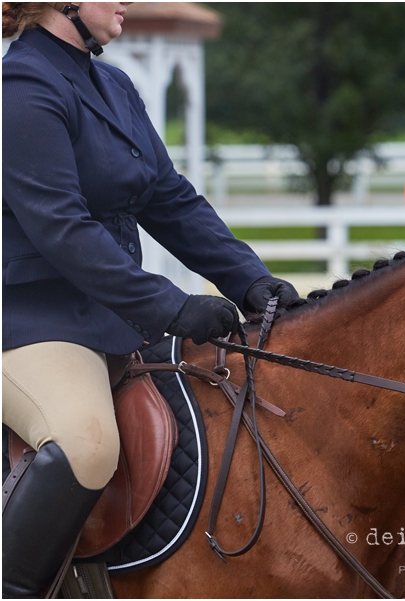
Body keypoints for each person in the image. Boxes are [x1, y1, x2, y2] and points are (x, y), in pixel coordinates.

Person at [1, 3, 301, 596]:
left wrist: (249, 280)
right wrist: (169, 306)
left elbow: (171, 198)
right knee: (87, 445)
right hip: (32, 320)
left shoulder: (111, 84)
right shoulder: (21, 89)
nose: (127, 1)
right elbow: (62, 228)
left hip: (110, 315)